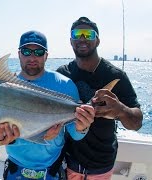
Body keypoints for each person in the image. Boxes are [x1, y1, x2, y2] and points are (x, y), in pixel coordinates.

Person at [0, 30, 95, 180]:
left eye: (38, 52)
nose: (32, 57)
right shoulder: (1, 88)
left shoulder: (65, 85)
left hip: (52, 169)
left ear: (46, 55)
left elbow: (76, 135)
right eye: (26, 51)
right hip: (15, 168)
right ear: (19, 54)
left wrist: (83, 126)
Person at [57, 17, 143, 180]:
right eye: (77, 34)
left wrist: (121, 110)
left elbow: (137, 123)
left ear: (97, 40)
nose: (82, 38)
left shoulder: (115, 76)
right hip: (69, 160)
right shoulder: (62, 74)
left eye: (88, 34)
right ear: (71, 41)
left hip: (101, 164)